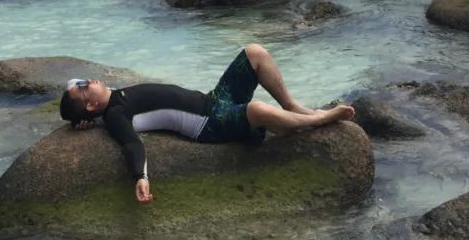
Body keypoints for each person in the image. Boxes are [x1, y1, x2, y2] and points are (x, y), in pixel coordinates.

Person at [59, 43, 355, 204]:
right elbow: (131, 144)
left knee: (254, 53)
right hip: (211, 124)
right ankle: (317, 119)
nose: (87, 80)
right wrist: (141, 176)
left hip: (214, 100)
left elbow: (72, 93)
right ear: (91, 104)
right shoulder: (114, 115)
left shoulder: (111, 99)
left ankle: (290, 106)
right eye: (84, 86)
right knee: (256, 109)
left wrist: (83, 121)